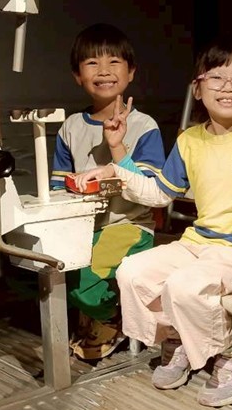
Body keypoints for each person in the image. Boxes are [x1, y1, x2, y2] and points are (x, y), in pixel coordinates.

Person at [70, 36, 232, 406]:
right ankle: (178, 339)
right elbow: (159, 194)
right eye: (217, 77)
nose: (228, 87)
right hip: (200, 246)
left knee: (185, 285)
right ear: (198, 88)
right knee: (133, 272)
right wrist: (118, 159)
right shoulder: (189, 140)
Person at [50, 23, 165, 360]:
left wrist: (117, 149)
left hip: (128, 226)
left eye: (114, 62)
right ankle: (96, 311)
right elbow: (59, 185)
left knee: (84, 284)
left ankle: (115, 317)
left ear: (131, 72)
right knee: (43, 268)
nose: (103, 70)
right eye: (92, 63)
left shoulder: (145, 126)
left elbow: (150, 189)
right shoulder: (71, 126)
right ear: (77, 75)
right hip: (83, 226)